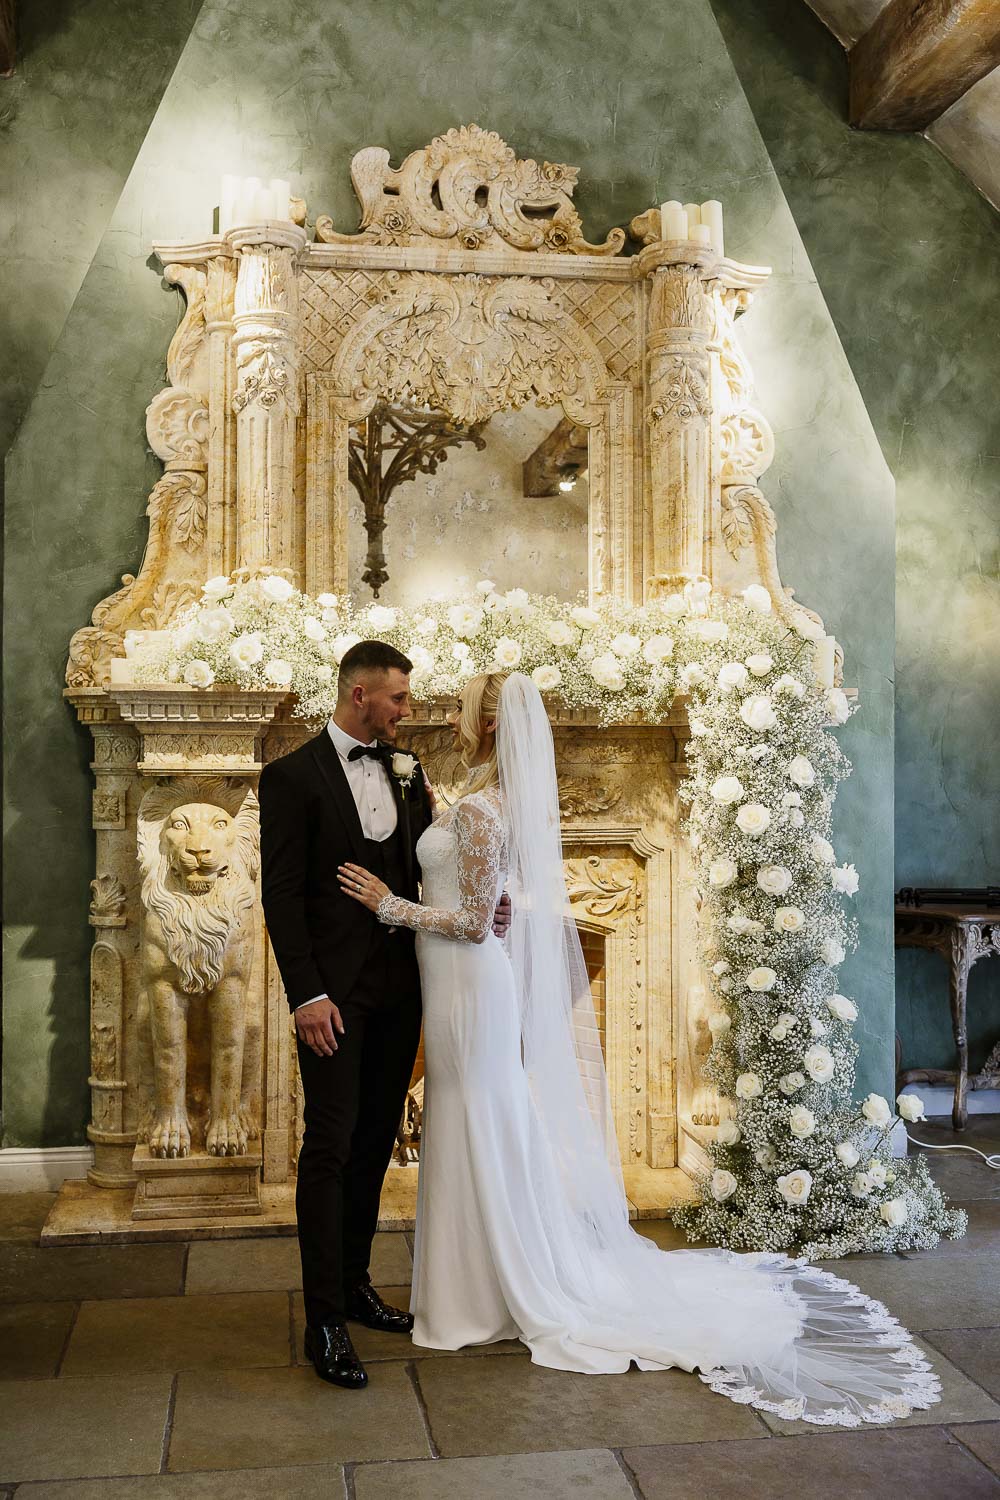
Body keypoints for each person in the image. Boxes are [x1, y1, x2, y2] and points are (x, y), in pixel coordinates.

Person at [338, 670, 942, 1426]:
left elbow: (466, 922)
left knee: (477, 1116)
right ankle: (473, 1288)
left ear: (488, 724)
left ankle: (489, 1294)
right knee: (470, 1118)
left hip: (470, 984)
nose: (448, 717)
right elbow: (492, 901)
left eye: (461, 708)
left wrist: (385, 903)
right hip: (456, 983)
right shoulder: (476, 800)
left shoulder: (488, 812)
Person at [259, 640, 509, 1390]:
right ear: (360, 694)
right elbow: (282, 897)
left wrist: (489, 905)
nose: (408, 709)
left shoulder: (410, 773)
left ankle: (359, 1285)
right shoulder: (290, 778)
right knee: (330, 1146)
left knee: (374, 1142)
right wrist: (306, 995)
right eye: (398, 698)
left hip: (403, 992)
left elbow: (428, 871)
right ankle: (325, 1320)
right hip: (331, 1000)